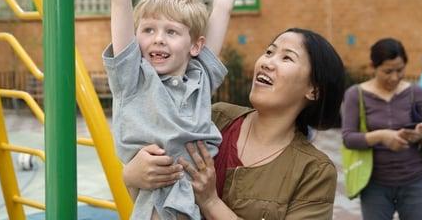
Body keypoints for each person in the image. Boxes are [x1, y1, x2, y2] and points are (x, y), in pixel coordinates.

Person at [92, 0, 251, 220]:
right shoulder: (133, 77)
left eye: (171, 32)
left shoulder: (200, 74)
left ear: (195, 45)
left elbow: (221, 6)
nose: (157, 40)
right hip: (156, 198)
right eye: (148, 30)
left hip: (197, 196)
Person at [123, 28, 346, 219]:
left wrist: (211, 203)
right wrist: (132, 175)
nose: (268, 62)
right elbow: (153, 197)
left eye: (286, 58)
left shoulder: (315, 171)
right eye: (269, 52)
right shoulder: (214, 119)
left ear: (313, 90)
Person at [342, 38, 422, 220]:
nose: (394, 77)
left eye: (400, 70)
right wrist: (381, 136)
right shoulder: (356, 95)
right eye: (387, 71)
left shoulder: (416, 93)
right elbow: (348, 138)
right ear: (373, 66)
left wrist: (421, 136)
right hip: (374, 185)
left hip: (415, 183)